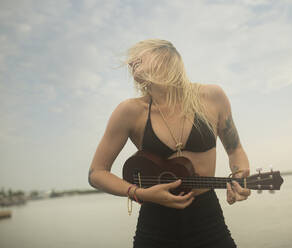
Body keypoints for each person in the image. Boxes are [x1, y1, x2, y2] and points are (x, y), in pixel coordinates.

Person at [88, 39, 251, 248]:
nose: (130, 63)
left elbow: (235, 149)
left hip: (208, 220)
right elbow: (96, 173)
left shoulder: (212, 97)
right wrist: (139, 193)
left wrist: (239, 176)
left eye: (139, 55)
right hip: (154, 225)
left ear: (165, 56)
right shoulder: (130, 111)